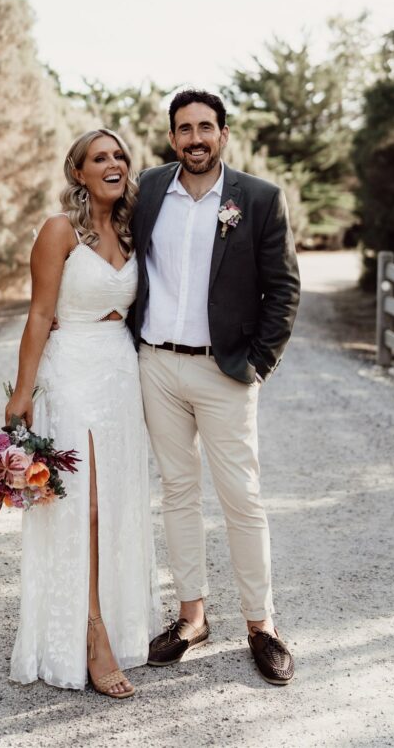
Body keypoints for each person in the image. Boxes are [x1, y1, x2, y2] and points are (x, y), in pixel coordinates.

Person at [131, 89, 301, 685]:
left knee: (242, 498)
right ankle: (191, 617)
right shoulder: (149, 190)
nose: (195, 138)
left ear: (223, 134)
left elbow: (283, 290)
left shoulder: (258, 199)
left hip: (224, 370)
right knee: (177, 491)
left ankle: (262, 625)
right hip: (157, 364)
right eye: (185, 129)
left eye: (206, 127)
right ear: (172, 137)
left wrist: (257, 364)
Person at [5, 129, 160, 699]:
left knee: (115, 503)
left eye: (120, 156)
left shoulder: (130, 230)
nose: (114, 163)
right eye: (101, 157)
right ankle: (90, 632)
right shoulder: (58, 231)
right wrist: (22, 392)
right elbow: (40, 314)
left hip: (121, 371)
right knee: (84, 505)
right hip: (69, 370)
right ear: (79, 172)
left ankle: (115, 623)